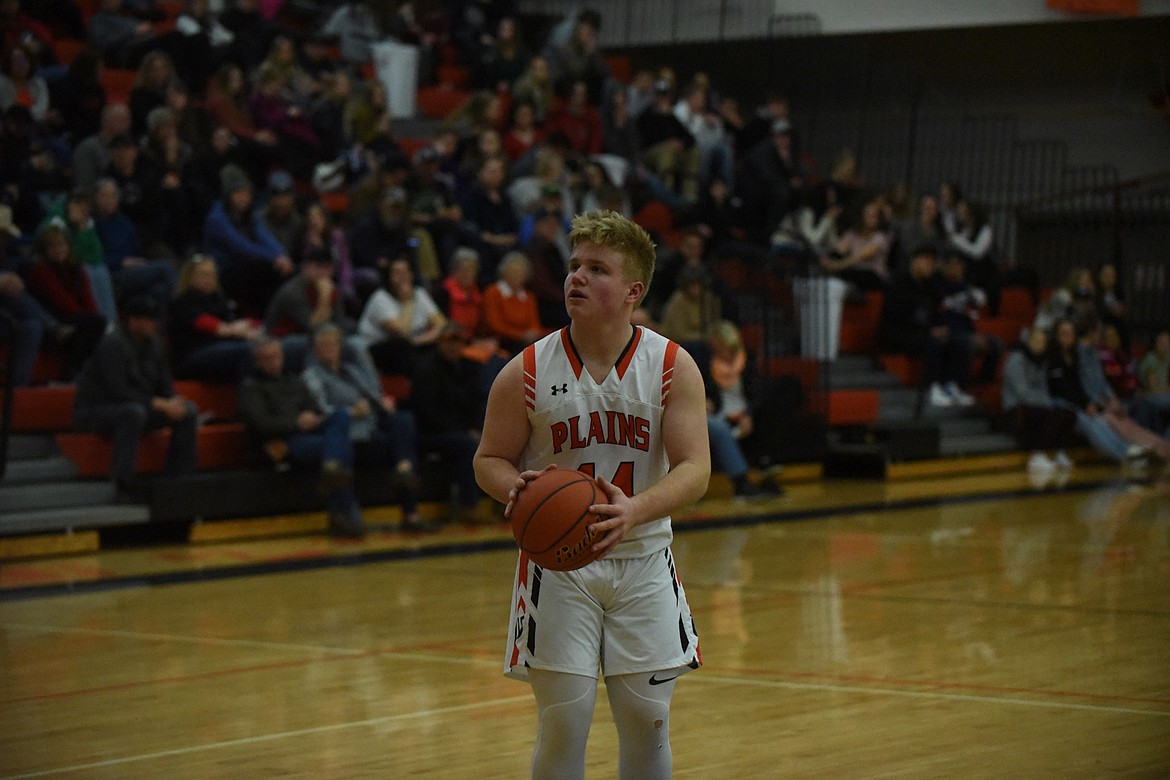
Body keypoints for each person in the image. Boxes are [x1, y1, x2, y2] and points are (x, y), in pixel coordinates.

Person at [473, 210, 710, 779]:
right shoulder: (526, 370)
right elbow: (488, 460)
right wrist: (516, 486)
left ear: (634, 290)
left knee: (647, 723)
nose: (576, 277)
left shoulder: (672, 367)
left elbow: (696, 470)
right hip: (557, 571)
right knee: (564, 723)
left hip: (644, 561)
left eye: (596, 268)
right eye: (574, 266)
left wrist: (634, 510)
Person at [301, 323, 432, 532]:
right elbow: (323, 410)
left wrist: (382, 404)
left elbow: (373, 396)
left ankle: (408, 493)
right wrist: (353, 412)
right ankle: (346, 515)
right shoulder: (312, 375)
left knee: (403, 420)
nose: (330, 349)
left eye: (333, 344)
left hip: (369, 431)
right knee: (338, 455)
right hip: (344, 435)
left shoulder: (351, 370)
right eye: (324, 346)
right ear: (316, 350)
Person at [71, 294, 198, 496]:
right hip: (96, 411)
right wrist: (158, 404)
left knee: (188, 411)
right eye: (150, 320)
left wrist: (173, 400)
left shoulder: (155, 344)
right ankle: (122, 482)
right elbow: (118, 391)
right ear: (134, 320)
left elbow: (164, 381)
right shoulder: (112, 345)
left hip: (138, 405)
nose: (154, 324)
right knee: (133, 412)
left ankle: (180, 479)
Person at [237, 336, 364, 538]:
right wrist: (297, 422)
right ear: (258, 362)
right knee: (341, 449)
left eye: (277, 356)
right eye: (267, 358)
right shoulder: (250, 387)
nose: (274, 362)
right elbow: (261, 424)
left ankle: (332, 473)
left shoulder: (294, 379)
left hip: (308, 435)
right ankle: (345, 511)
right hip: (283, 442)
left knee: (340, 416)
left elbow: (315, 409)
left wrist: (311, 417)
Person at [877, 244, 974, 408]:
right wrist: (929, 331)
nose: (929, 266)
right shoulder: (898, 280)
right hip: (897, 333)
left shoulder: (929, 285)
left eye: (932, 262)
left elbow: (935, 313)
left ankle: (953, 386)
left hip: (920, 332)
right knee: (933, 342)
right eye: (925, 261)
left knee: (959, 341)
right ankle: (932, 388)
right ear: (914, 261)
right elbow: (896, 316)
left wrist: (939, 328)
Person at [411, 322, 489, 524]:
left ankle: (505, 501)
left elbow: (480, 402)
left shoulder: (471, 367)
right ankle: (469, 506)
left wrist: (478, 429)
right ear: (439, 343)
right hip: (430, 433)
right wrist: (465, 431)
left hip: (464, 431)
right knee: (466, 444)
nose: (453, 346)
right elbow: (428, 412)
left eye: (457, 341)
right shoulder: (426, 369)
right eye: (448, 341)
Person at [703, 320, 782, 498]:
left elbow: (758, 395)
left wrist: (748, 415)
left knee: (768, 417)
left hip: (743, 413)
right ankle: (741, 483)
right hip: (720, 416)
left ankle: (767, 474)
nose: (725, 353)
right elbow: (699, 391)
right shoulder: (706, 365)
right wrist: (703, 400)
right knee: (719, 427)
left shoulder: (747, 364)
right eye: (719, 348)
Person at [169, 253, 262, 381]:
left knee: (269, 348)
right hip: (196, 352)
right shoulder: (184, 302)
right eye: (203, 274)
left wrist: (251, 329)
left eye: (212, 274)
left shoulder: (221, 299)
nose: (209, 279)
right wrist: (235, 329)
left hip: (225, 346)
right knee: (247, 351)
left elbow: (246, 321)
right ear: (190, 277)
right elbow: (211, 326)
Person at [1001, 325, 1077, 476]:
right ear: (1028, 341)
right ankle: (1038, 455)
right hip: (1016, 406)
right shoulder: (1016, 360)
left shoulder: (1042, 360)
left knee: (1068, 414)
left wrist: (1047, 404)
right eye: (1036, 340)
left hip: (1036, 404)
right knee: (1050, 415)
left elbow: (1043, 389)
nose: (1040, 344)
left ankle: (1059, 452)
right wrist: (1045, 404)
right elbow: (1022, 392)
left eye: (1042, 341)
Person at [357, 256, 446, 375]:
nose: (402, 277)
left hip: (415, 343)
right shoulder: (380, 298)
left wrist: (420, 340)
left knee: (446, 343)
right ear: (389, 277)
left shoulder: (419, 293)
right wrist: (407, 302)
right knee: (403, 347)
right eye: (397, 273)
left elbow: (441, 324)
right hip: (380, 349)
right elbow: (402, 331)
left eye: (406, 272)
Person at [482, 251, 543, 355]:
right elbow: (495, 325)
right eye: (514, 272)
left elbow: (534, 324)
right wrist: (521, 335)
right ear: (504, 272)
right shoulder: (493, 292)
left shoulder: (528, 297)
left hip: (524, 341)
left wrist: (532, 334)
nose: (517, 276)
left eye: (521, 272)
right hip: (499, 341)